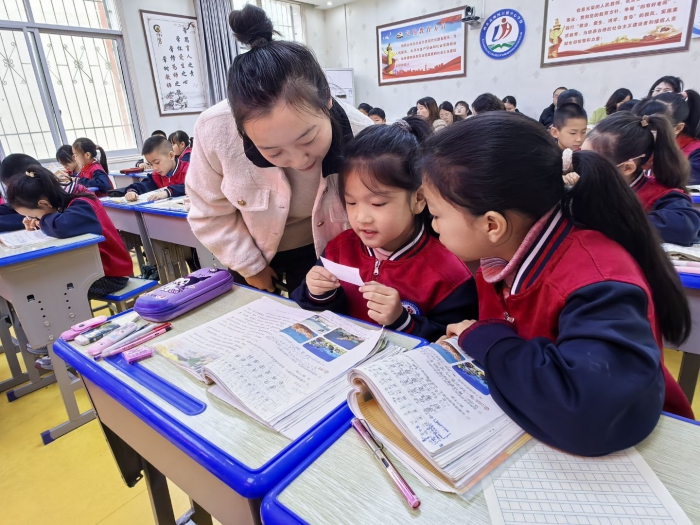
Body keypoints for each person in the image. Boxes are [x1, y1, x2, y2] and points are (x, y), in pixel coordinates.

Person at [418, 111, 693, 457]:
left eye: (436, 214)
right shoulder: (499, 260)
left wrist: (486, 340)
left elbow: (589, 415)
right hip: (538, 434)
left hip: (648, 455)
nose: (433, 226)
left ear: (492, 225)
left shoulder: (596, 281)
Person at [185, 5, 372, 294]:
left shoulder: (361, 133)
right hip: (250, 249)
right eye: (273, 151)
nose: (298, 161)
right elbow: (207, 211)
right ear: (241, 130)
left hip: (332, 252)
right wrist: (251, 266)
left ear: (327, 100)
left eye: (307, 139)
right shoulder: (216, 130)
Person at [292, 117, 477, 340]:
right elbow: (307, 309)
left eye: (378, 204)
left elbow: (455, 342)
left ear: (418, 199)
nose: (362, 218)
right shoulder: (339, 249)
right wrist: (317, 293)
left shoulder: (449, 274)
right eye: (351, 202)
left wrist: (403, 321)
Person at [7, 165, 132, 298]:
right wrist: (38, 221)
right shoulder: (64, 202)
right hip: (93, 270)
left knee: (55, 291)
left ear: (44, 204)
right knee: (47, 284)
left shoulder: (82, 202)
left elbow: (62, 226)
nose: (35, 219)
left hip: (112, 275)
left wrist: (41, 221)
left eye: (34, 216)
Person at [584, 111, 700, 246]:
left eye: (589, 163)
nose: (581, 165)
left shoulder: (658, 195)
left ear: (627, 168)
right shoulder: (589, 184)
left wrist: (614, 222)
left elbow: (687, 227)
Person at [0, 154, 90, 232]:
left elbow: (65, 226)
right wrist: (36, 223)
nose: (16, 195)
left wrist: (42, 222)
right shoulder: (54, 196)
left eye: (33, 216)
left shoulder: (80, 201)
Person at [634, 92, 700, 184]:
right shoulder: (636, 144)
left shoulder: (696, 153)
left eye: (655, 126)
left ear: (678, 128)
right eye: (644, 125)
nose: (648, 132)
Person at [125, 136, 188, 202]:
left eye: (157, 162)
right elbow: (144, 185)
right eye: (150, 164)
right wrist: (132, 191)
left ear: (171, 156)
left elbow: (190, 186)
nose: (154, 168)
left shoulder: (188, 170)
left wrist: (168, 192)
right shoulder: (156, 175)